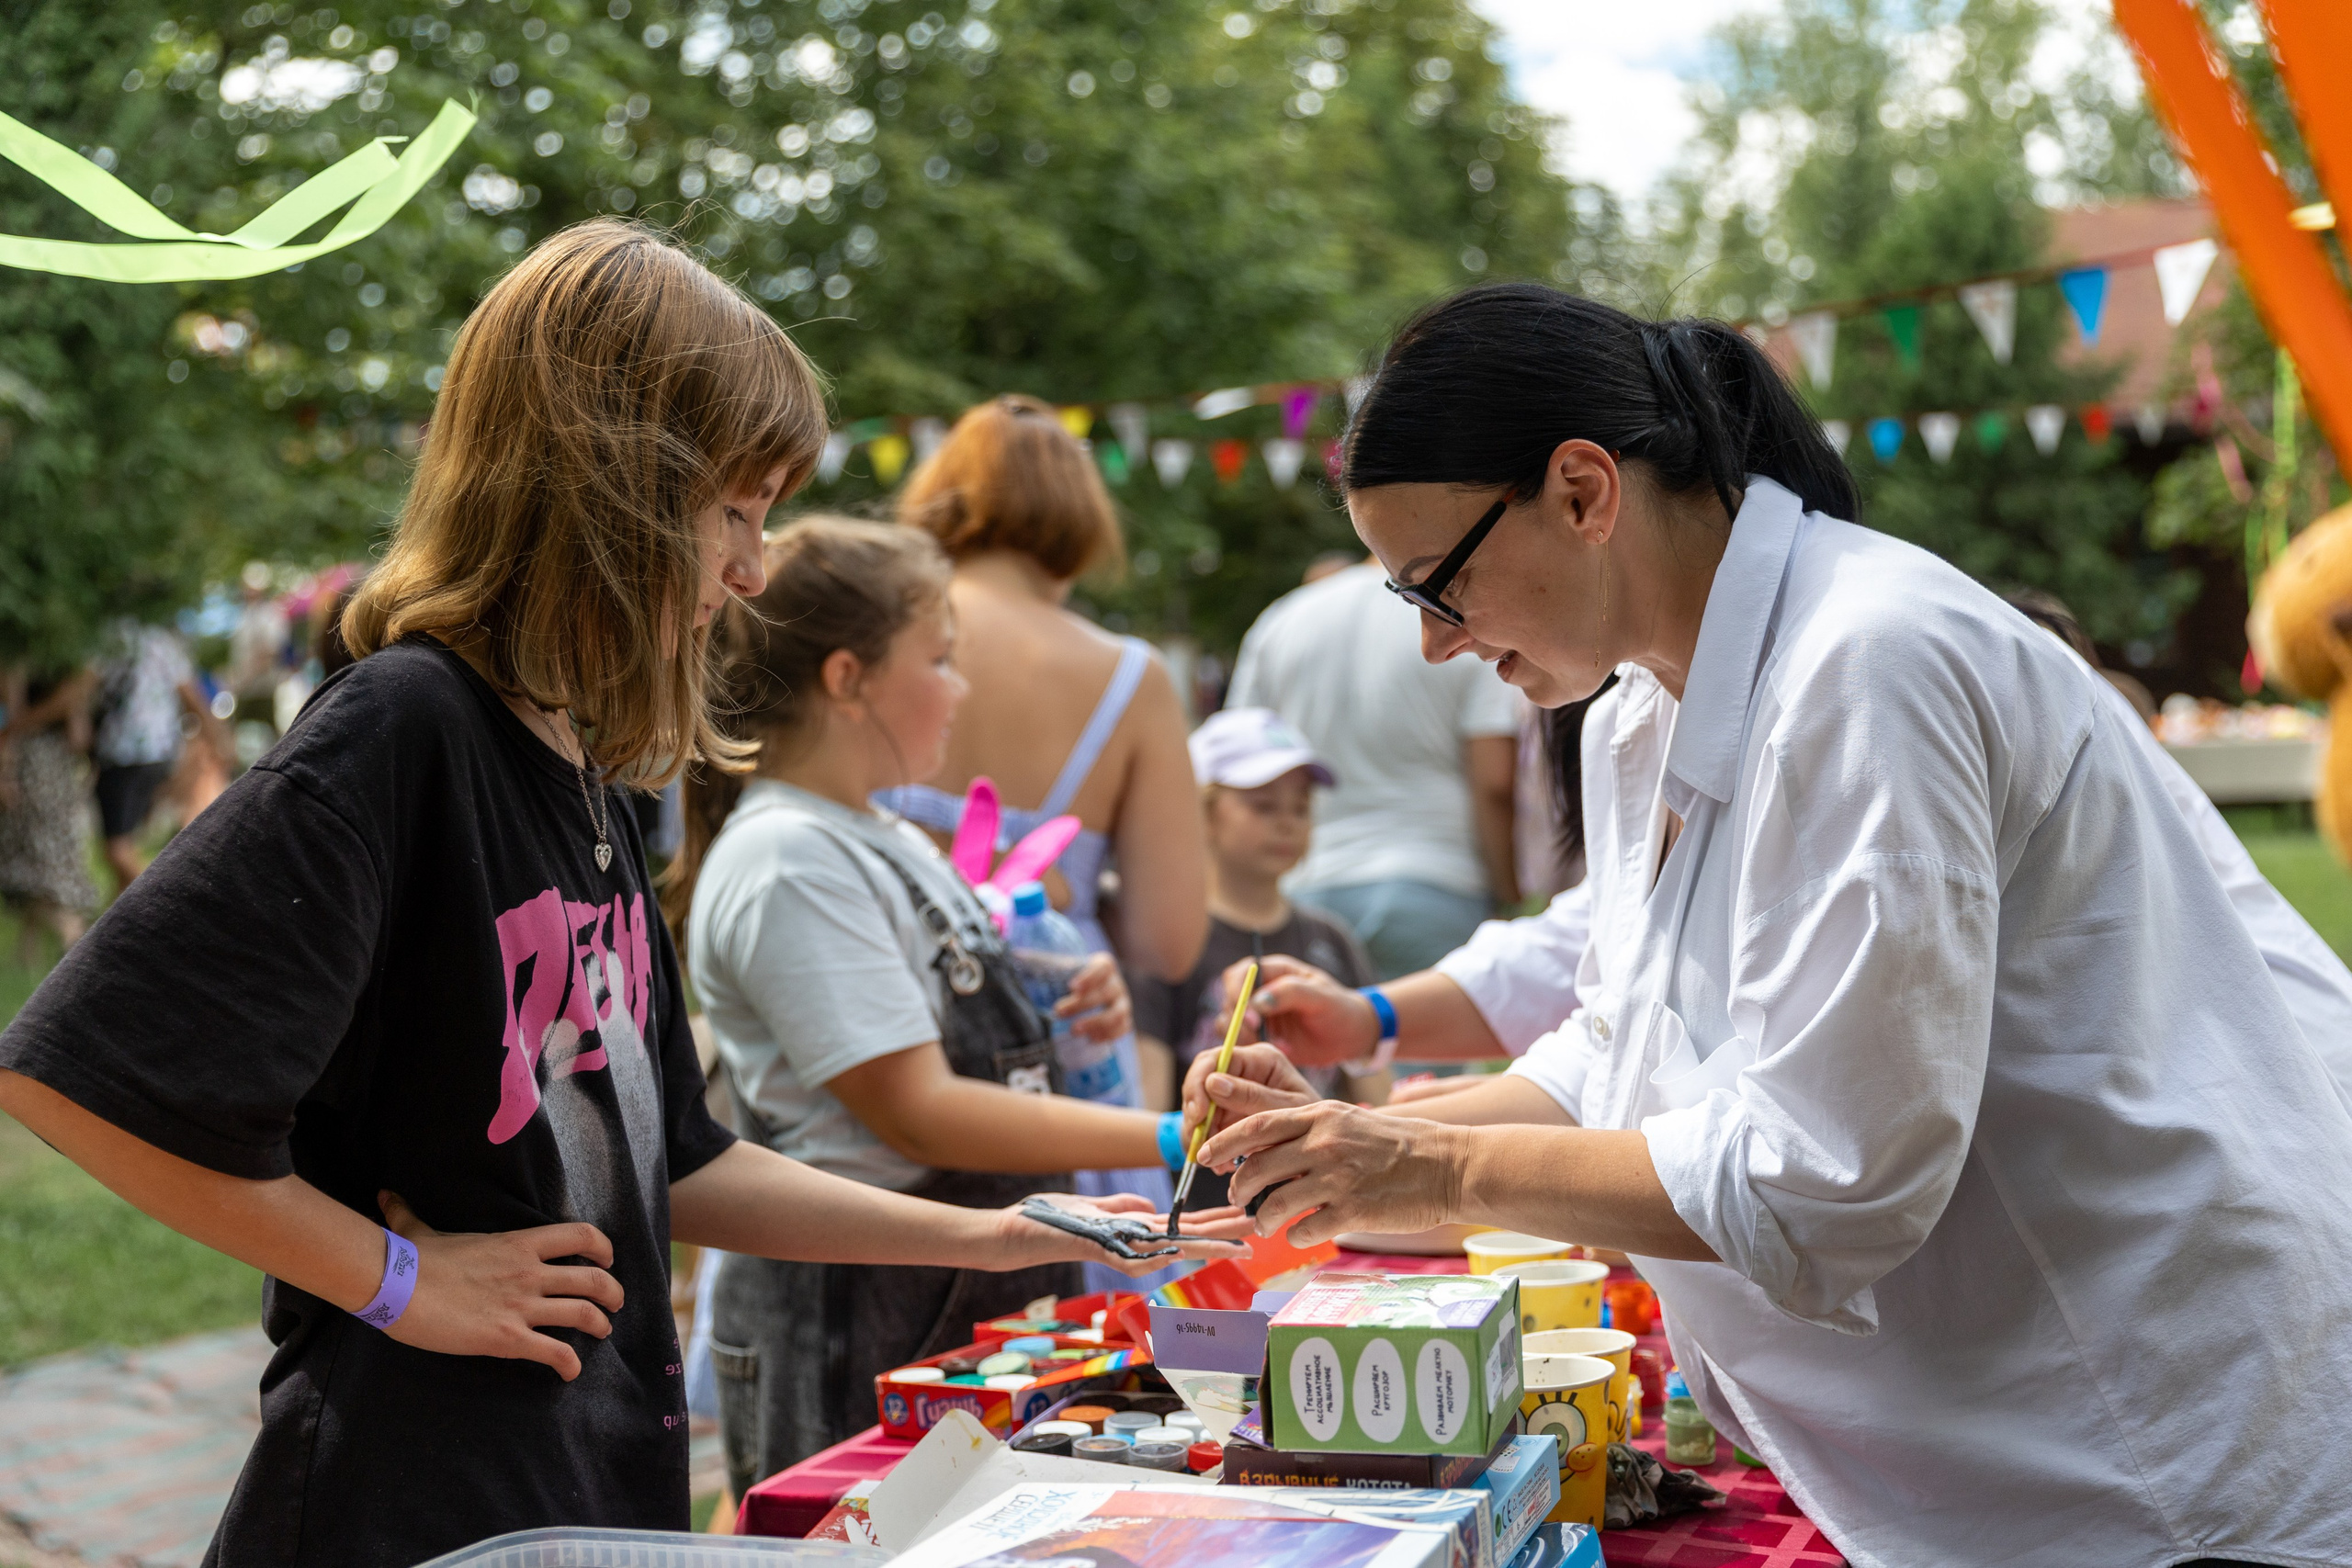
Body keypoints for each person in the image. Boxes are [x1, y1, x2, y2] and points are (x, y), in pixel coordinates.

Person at [0, 220, 1236, 1568]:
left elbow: (682, 1160)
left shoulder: (585, 769)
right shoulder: (405, 725)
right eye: (735, 515)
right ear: (609, 490)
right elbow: (74, 1077)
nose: (754, 571)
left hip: (588, 1482)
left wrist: (1001, 1232)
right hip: (418, 1510)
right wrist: (400, 1279)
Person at [1182, 282, 2352, 1567]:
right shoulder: (1639, 709)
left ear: (1583, 491)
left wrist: (1431, 1165)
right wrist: (1341, 1148)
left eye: (1440, 586)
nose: (1432, 645)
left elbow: (1830, 1175)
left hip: (2150, 1459)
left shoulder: (1869, 660)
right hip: (2019, 1455)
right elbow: (1618, 1057)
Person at [674, 516, 1226, 1487]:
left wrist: (1062, 1006)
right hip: (863, 1313)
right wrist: (1175, 1136)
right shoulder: (788, 859)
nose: (959, 689)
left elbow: (943, 1026)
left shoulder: (875, 835)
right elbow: (919, 1111)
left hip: (956, 1292)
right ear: (847, 680)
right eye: (939, 659)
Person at [885, 394, 1208, 1286]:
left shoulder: (871, 637)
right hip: (1062, 1048)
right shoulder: (1127, 677)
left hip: (880, 1022)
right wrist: (1064, 883)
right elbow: (1168, 937)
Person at [1227, 540, 1521, 981]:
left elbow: (1238, 761)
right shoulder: (1469, 620)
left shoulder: (1283, 619)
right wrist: (1508, 893)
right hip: (1436, 884)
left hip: (1307, 886)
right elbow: (1493, 780)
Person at [1127, 707, 1380, 1113]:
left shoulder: (1332, 940)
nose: (1287, 823)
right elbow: (1146, 1106)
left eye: (1301, 808)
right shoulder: (1171, 940)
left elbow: (1374, 1087)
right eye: (1263, 806)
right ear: (1202, 811)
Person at [89, 617, 220, 891]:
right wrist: (218, 737)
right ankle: (120, 929)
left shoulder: (114, 634)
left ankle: (166, 902)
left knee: (117, 847)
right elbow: (192, 696)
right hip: (158, 753)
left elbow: (83, 682)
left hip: (125, 752)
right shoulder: (165, 639)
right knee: (126, 843)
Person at [0, 664, 98, 964]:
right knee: (41, 857)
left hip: (35, 763)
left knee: (27, 864)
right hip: (57, 767)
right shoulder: (67, 662)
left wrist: (6, 764)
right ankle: (28, 957)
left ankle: (72, 933)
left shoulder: (30, 661)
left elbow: (13, 719)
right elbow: (80, 738)